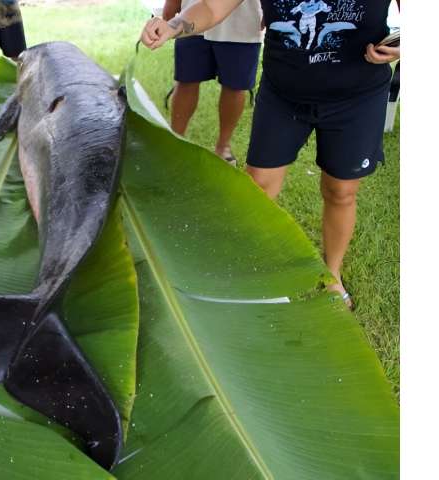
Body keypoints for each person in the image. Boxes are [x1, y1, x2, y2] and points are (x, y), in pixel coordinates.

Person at [140, 0, 400, 309]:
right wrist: (173, 26)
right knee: (259, 185)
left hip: (357, 96)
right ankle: (250, 267)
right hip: (283, 94)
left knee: (341, 190)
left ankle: (332, 274)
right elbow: (212, 7)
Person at [162, 0, 262, 165]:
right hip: (190, 19)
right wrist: (172, 4)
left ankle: (223, 146)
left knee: (235, 87)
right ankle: (175, 139)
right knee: (186, 81)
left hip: (241, 23)